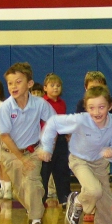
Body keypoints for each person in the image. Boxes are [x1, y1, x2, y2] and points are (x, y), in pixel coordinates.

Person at [41, 85, 112, 224]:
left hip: (100, 162)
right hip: (80, 160)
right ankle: (76, 200)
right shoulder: (80, 120)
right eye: (92, 108)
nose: (97, 112)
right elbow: (53, 123)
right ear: (86, 108)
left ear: (110, 106)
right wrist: (47, 147)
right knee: (94, 191)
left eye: (101, 107)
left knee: (106, 201)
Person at [0, 62, 56, 224]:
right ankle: (35, 211)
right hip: (11, 154)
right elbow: (5, 136)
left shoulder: (39, 104)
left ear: (30, 84)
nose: (13, 87)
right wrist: (20, 158)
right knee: (19, 190)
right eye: (10, 83)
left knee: (32, 183)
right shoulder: (6, 108)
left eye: (18, 82)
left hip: (32, 151)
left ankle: (36, 223)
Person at [76, 71, 112, 222]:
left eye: (100, 87)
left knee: (101, 183)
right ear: (86, 89)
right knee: (88, 183)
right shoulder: (82, 105)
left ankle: (99, 211)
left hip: (104, 152)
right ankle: (88, 208)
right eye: (92, 88)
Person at [41, 72, 71, 206]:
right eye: (52, 85)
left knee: (62, 170)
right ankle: (40, 200)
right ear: (45, 88)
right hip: (46, 141)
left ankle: (64, 198)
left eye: (58, 85)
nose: (55, 88)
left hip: (60, 141)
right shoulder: (41, 103)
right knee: (44, 173)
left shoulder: (62, 103)